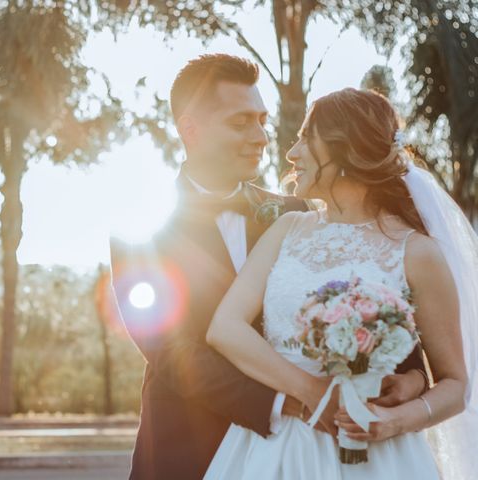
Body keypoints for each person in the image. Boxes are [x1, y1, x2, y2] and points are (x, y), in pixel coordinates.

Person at [109, 56, 429, 479]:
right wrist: (290, 401)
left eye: (262, 120)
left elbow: (370, 298)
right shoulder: (139, 234)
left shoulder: (298, 214)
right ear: (191, 130)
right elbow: (172, 350)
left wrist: (411, 378)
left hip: (304, 455)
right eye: (241, 122)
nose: (261, 137)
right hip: (186, 449)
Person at [205, 87, 473, 479]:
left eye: (304, 139)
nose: (291, 153)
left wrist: (395, 421)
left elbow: (454, 384)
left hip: (377, 449)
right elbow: (224, 328)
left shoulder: (417, 253)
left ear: (344, 150)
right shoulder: (287, 229)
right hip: (276, 448)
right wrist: (312, 395)